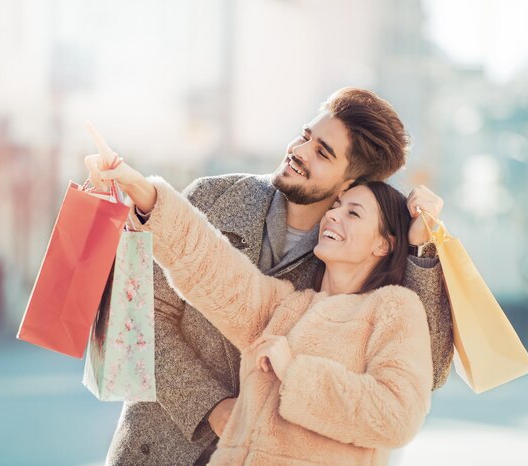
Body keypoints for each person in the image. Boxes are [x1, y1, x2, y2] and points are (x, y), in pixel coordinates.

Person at [89, 87, 453, 465]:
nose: (299, 151)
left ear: (350, 183)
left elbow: (420, 372)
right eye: (306, 136)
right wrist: (210, 407)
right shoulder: (215, 198)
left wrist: (422, 250)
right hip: (159, 446)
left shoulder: (347, 266)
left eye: (322, 152)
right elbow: (184, 282)